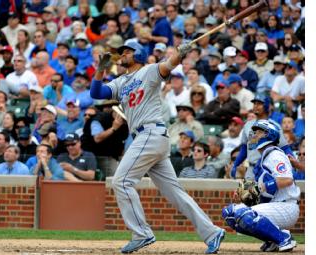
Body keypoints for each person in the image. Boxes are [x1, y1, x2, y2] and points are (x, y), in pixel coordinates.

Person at [90, 41, 225, 254]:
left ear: (139, 55)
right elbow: (96, 93)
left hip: (150, 133)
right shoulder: (120, 81)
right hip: (149, 139)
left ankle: (142, 233)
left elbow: (168, 64)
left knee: (121, 181)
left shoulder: (149, 71)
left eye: (127, 51)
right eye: (122, 51)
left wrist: (180, 53)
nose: (123, 54)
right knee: (176, 194)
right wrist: (100, 70)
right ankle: (212, 232)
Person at [222, 119, 300, 252]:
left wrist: (260, 188)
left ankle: (283, 238)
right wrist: (244, 194)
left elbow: (287, 180)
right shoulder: (264, 157)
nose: (254, 135)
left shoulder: (275, 154)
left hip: (287, 206)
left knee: (243, 214)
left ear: (268, 134)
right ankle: (272, 240)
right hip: (275, 205)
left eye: (258, 132)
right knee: (229, 213)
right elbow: (261, 190)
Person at [230, 94, 292, 180]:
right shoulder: (248, 125)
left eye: (259, 103)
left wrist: (293, 164)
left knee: (266, 191)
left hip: (268, 169)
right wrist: (236, 164)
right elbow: (244, 148)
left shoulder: (274, 126)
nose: (255, 106)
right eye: (254, 103)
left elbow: (285, 148)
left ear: (266, 105)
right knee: (249, 192)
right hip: (251, 169)